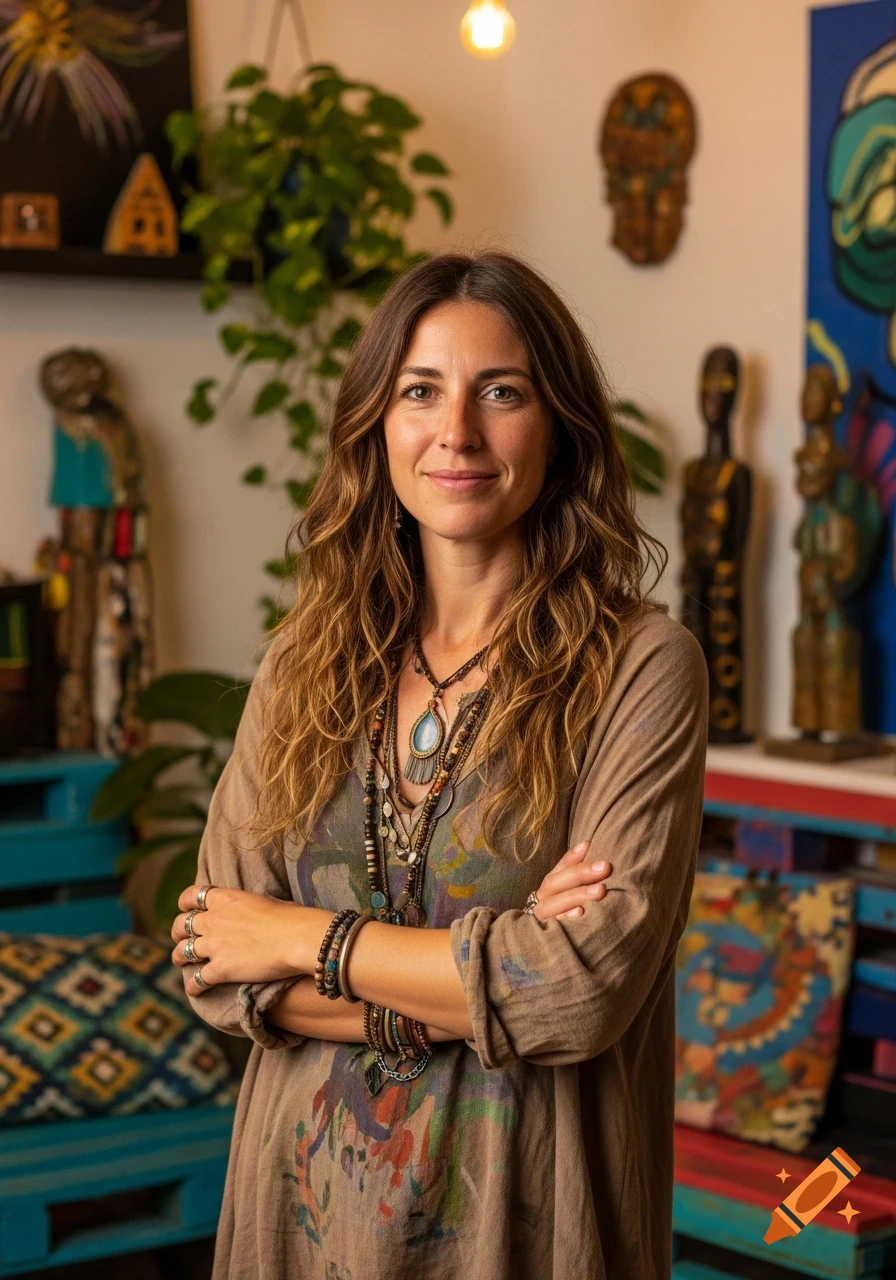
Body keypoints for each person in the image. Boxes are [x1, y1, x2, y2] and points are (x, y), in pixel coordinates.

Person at [170, 250, 708, 1280]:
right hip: (297, 1225)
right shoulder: (302, 660)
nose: (454, 432)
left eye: (499, 392)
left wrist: (293, 936)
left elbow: (579, 989)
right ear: (377, 424)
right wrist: (480, 977)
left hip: (522, 1225)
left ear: (558, 430)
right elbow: (209, 957)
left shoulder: (640, 664)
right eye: (419, 390)